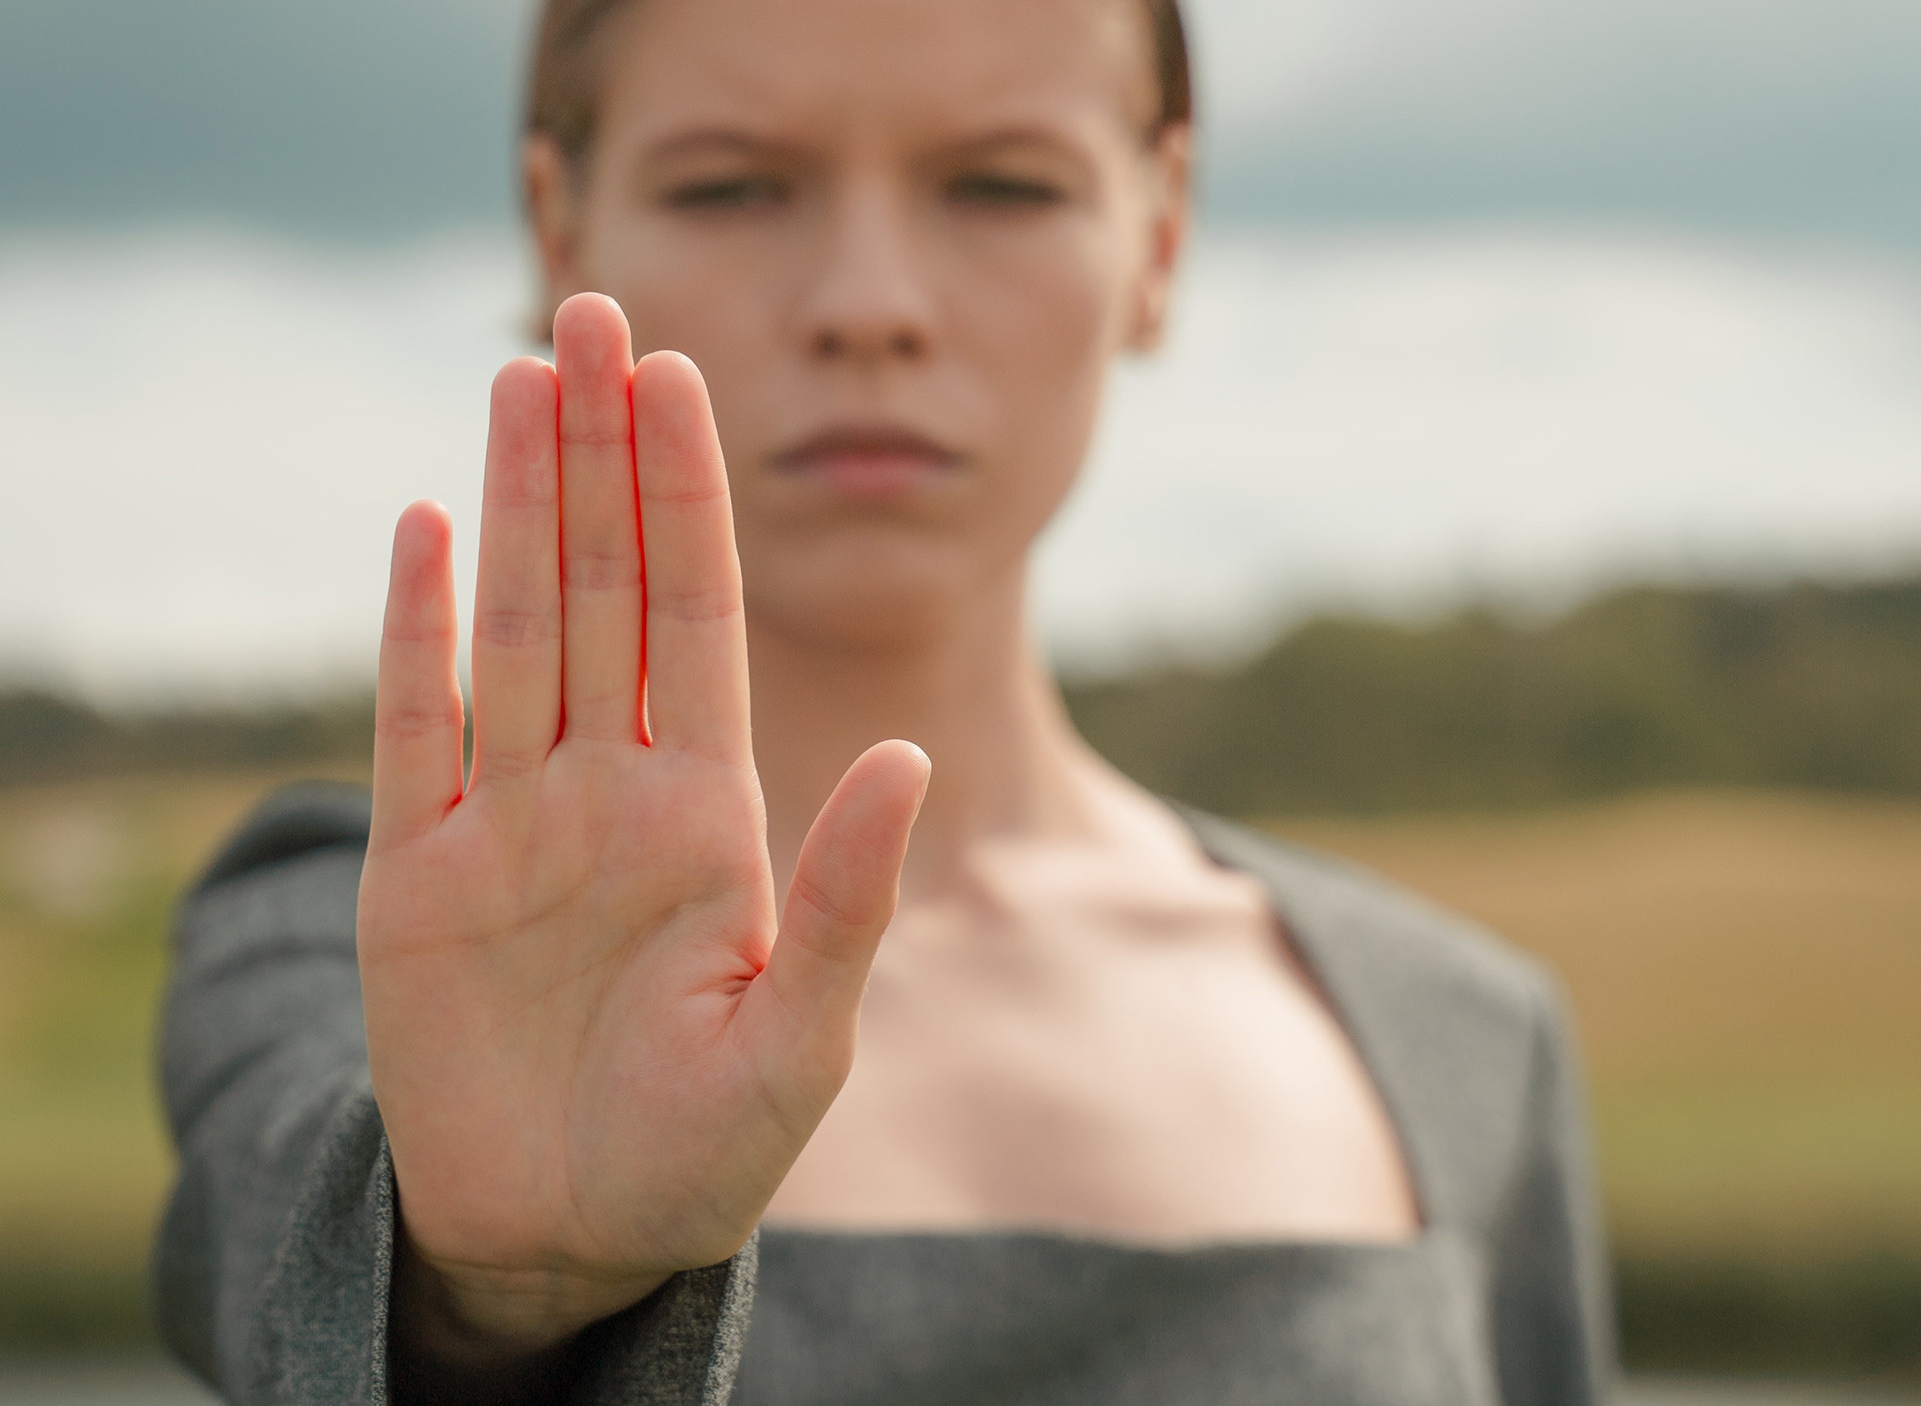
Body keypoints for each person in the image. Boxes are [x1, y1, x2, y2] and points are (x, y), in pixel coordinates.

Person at [154, 0, 1616, 1400]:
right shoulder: (346, 951)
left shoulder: (1458, 1035)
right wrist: (493, 1297)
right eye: (732, 188)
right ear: (559, 232)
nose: (869, 304)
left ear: (1158, 236)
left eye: (1000, 185)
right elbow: (299, 1302)